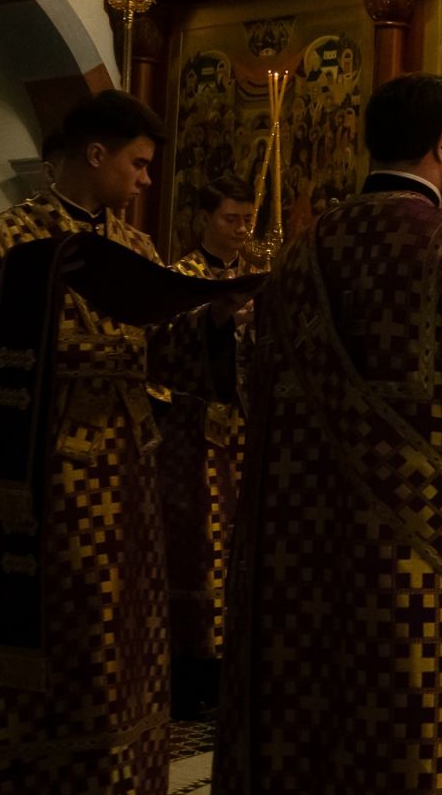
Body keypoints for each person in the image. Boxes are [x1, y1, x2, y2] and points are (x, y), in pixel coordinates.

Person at [218, 74, 442, 794]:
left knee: (321, 714)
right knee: (428, 724)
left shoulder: (299, 253)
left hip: (307, 548)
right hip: (424, 558)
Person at [0, 91, 244, 794]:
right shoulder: (6, 239)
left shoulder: (135, 247)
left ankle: (107, 770)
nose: (146, 180)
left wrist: (212, 319)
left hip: (124, 471)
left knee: (114, 625)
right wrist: (33, 321)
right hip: (34, 473)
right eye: (138, 164)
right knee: (42, 621)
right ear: (96, 154)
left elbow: (164, 351)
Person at [156, 176, 258, 720]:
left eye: (247, 220)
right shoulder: (181, 277)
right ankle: (192, 671)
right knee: (198, 549)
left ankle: (236, 667)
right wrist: (216, 319)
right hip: (194, 440)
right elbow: (165, 350)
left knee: (242, 550)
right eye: (229, 219)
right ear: (203, 219)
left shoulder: (256, 277)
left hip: (247, 437)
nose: (241, 230)